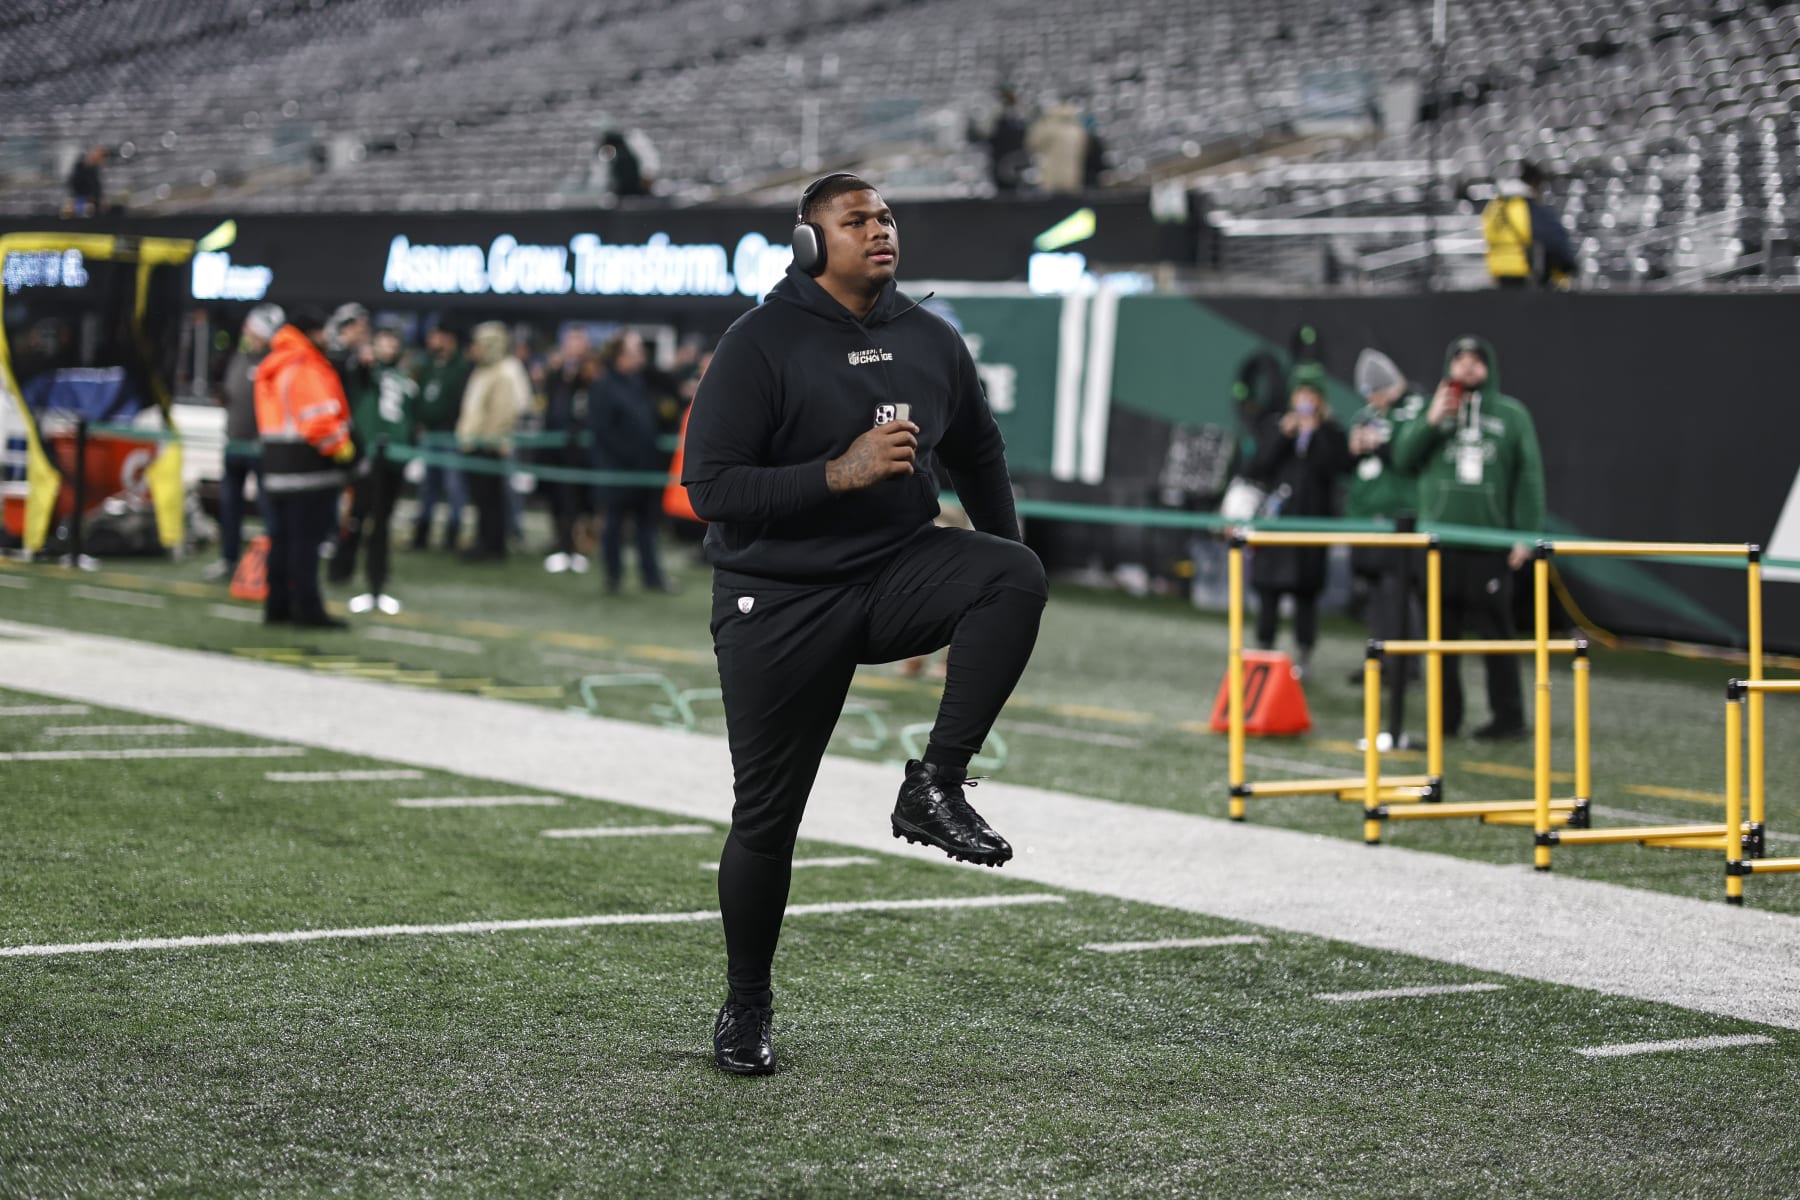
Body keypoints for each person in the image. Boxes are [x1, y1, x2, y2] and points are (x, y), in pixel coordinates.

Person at [683, 173, 1046, 1075]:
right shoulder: (757, 343)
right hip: (779, 596)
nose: (880, 231)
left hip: (891, 573)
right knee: (767, 820)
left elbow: (980, 451)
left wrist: (997, 576)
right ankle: (747, 1009)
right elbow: (712, 490)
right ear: (810, 244)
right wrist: (834, 474)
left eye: (886, 217)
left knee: (1015, 574)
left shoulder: (929, 337)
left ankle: (936, 786)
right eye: (857, 221)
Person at [1391, 335, 1546, 740]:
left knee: (1497, 637)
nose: (1468, 367)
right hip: (1439, 545)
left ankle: (1509, 718)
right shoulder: (1431, 409)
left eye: (1476, 360)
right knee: (1439, 640)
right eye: (1460, 360)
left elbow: (1528, 478)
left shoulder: (1512, 415)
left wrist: (1525, 535)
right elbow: (1403, 460)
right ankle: (1444, 721)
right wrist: (1431, 421)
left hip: (1489, 546)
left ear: (1489, 367)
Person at [254, 306, 356, 629]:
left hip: (276, 468)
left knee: (281, 541)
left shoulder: (273, 364)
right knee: (305, 545)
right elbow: (319, 422)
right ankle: (308, 610)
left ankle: (278, 606)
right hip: (308, 473)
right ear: (312, 333)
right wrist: (346, 450)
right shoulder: (304, 365)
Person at [1246, 364, 1351, 677]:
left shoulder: (1331, 433)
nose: (1306, 400)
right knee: (1268, 591)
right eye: (1301, 393)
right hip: (1275, 526)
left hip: (1310, 528)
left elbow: (1335, 468)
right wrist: (1283, 435)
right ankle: (1263, 650)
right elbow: (1258, 465)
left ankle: (1303, 655)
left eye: (1312, 394)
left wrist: (1314, 433)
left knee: (1306, 594)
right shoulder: (1276, 426)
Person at [1344, 349, 1426, 688]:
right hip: (1367, 519)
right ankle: (1380, 660)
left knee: (1399, 591)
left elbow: (1410, 456)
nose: (1373, 401)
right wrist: (1354, 445)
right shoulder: (1367, 413)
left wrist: (1380, 445)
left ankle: (1407, 666)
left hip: (1400, 519)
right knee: (1375, 594)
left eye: (1376, 392)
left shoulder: (1417, 410)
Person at [331, 325, 416, 613]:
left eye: (393, 342)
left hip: (394, 458)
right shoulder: (365, 372)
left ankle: (376, 579)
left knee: (382, 520)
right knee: (357, 515)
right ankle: (341, 569)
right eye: (384, 342)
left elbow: (411, 417)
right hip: (368, 456)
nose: (388, 348)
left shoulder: (405, 380)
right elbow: (351, 379)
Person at [207, 303, 284, 581]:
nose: (248, 333)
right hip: (234, 444)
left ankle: (274, 564)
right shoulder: (239, 356)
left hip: (261, 448)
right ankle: (229, 559)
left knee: (268, 507)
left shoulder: (274, 361)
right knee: (230, 506)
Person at [590, 329, 669, 594]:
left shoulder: (638, 382)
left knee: (647, 526)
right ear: (620, 354)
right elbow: (603, 430)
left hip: (643, 469)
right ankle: (613, 578)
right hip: (618, 471)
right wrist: (628, 457)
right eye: (635, 349)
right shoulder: (604, 385)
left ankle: (652, 577)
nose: (641, 354)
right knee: (613, 525)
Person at [456, 321, 528, 562]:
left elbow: (503, 413)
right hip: (475, 445)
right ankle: (484, 542)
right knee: (482, 499)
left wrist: (483, 440)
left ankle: (493, 546)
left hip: (488, 448)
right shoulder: (483, 370)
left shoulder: (504, 372)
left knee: (492, 500)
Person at [410, 323, 471, 551]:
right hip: (429, 433)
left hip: (450, 435)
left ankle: (452, 536)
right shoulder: (427, 364)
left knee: (454, 486)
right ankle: (422, 534)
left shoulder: (462, 366)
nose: (431, 341)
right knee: (428, 486)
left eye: (436, 336)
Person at [541, 326, 594, 575]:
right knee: (556, 496)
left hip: (579, 449)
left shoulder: (590, 375)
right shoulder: (556, 374)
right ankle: (559, 542)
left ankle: (575, 545)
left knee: (576, 499)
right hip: (554, 446)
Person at [1483, 161, 1578, 289]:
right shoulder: (1526, 207)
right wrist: (1569, 265)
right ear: (1534, 182)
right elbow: (1553, 239)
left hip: (1498, 274)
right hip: (1523, 274)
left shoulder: (1494, 206)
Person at [972, 87, 1030, 193]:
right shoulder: (997, 115)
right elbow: (984, 132)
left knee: (1015, 189)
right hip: (1000, 158)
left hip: (1014, 158)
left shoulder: (1019, 115)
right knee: (1003, 189)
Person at [1026, 101, 1089, 193]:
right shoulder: (1078, 131)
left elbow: (1032, 142)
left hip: (1052, 175)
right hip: (1072, 176)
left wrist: (1042, 122)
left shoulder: (1051, 129)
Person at [66, 145, 105, 217]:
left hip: (91, 201)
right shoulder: (81, 167)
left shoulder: (94, 170)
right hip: (81, 198)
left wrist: (96, 198)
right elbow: (75, 182)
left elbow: (96, 187)